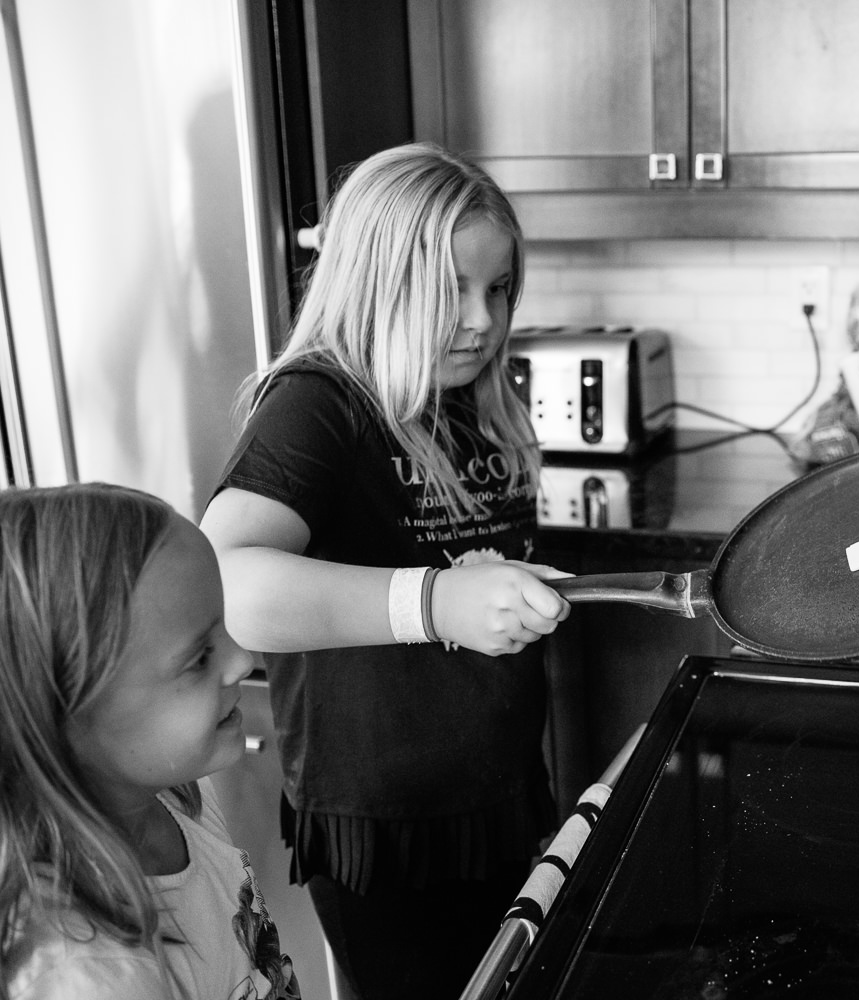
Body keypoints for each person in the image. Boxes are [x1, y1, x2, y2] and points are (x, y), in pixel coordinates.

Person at [197, 141, 571, 999]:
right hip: (387, 827)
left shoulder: (471, 401)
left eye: (498, 288)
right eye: (450, 289)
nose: (481, 319)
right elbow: (229, 581)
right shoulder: (320, 404)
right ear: (372, 279)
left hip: (501, 794)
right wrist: (436, 602)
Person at [0, 483, 298, 1000]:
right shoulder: (90, 977)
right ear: (65, 719)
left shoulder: (173, 794)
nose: (241, 661)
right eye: (199, 657)